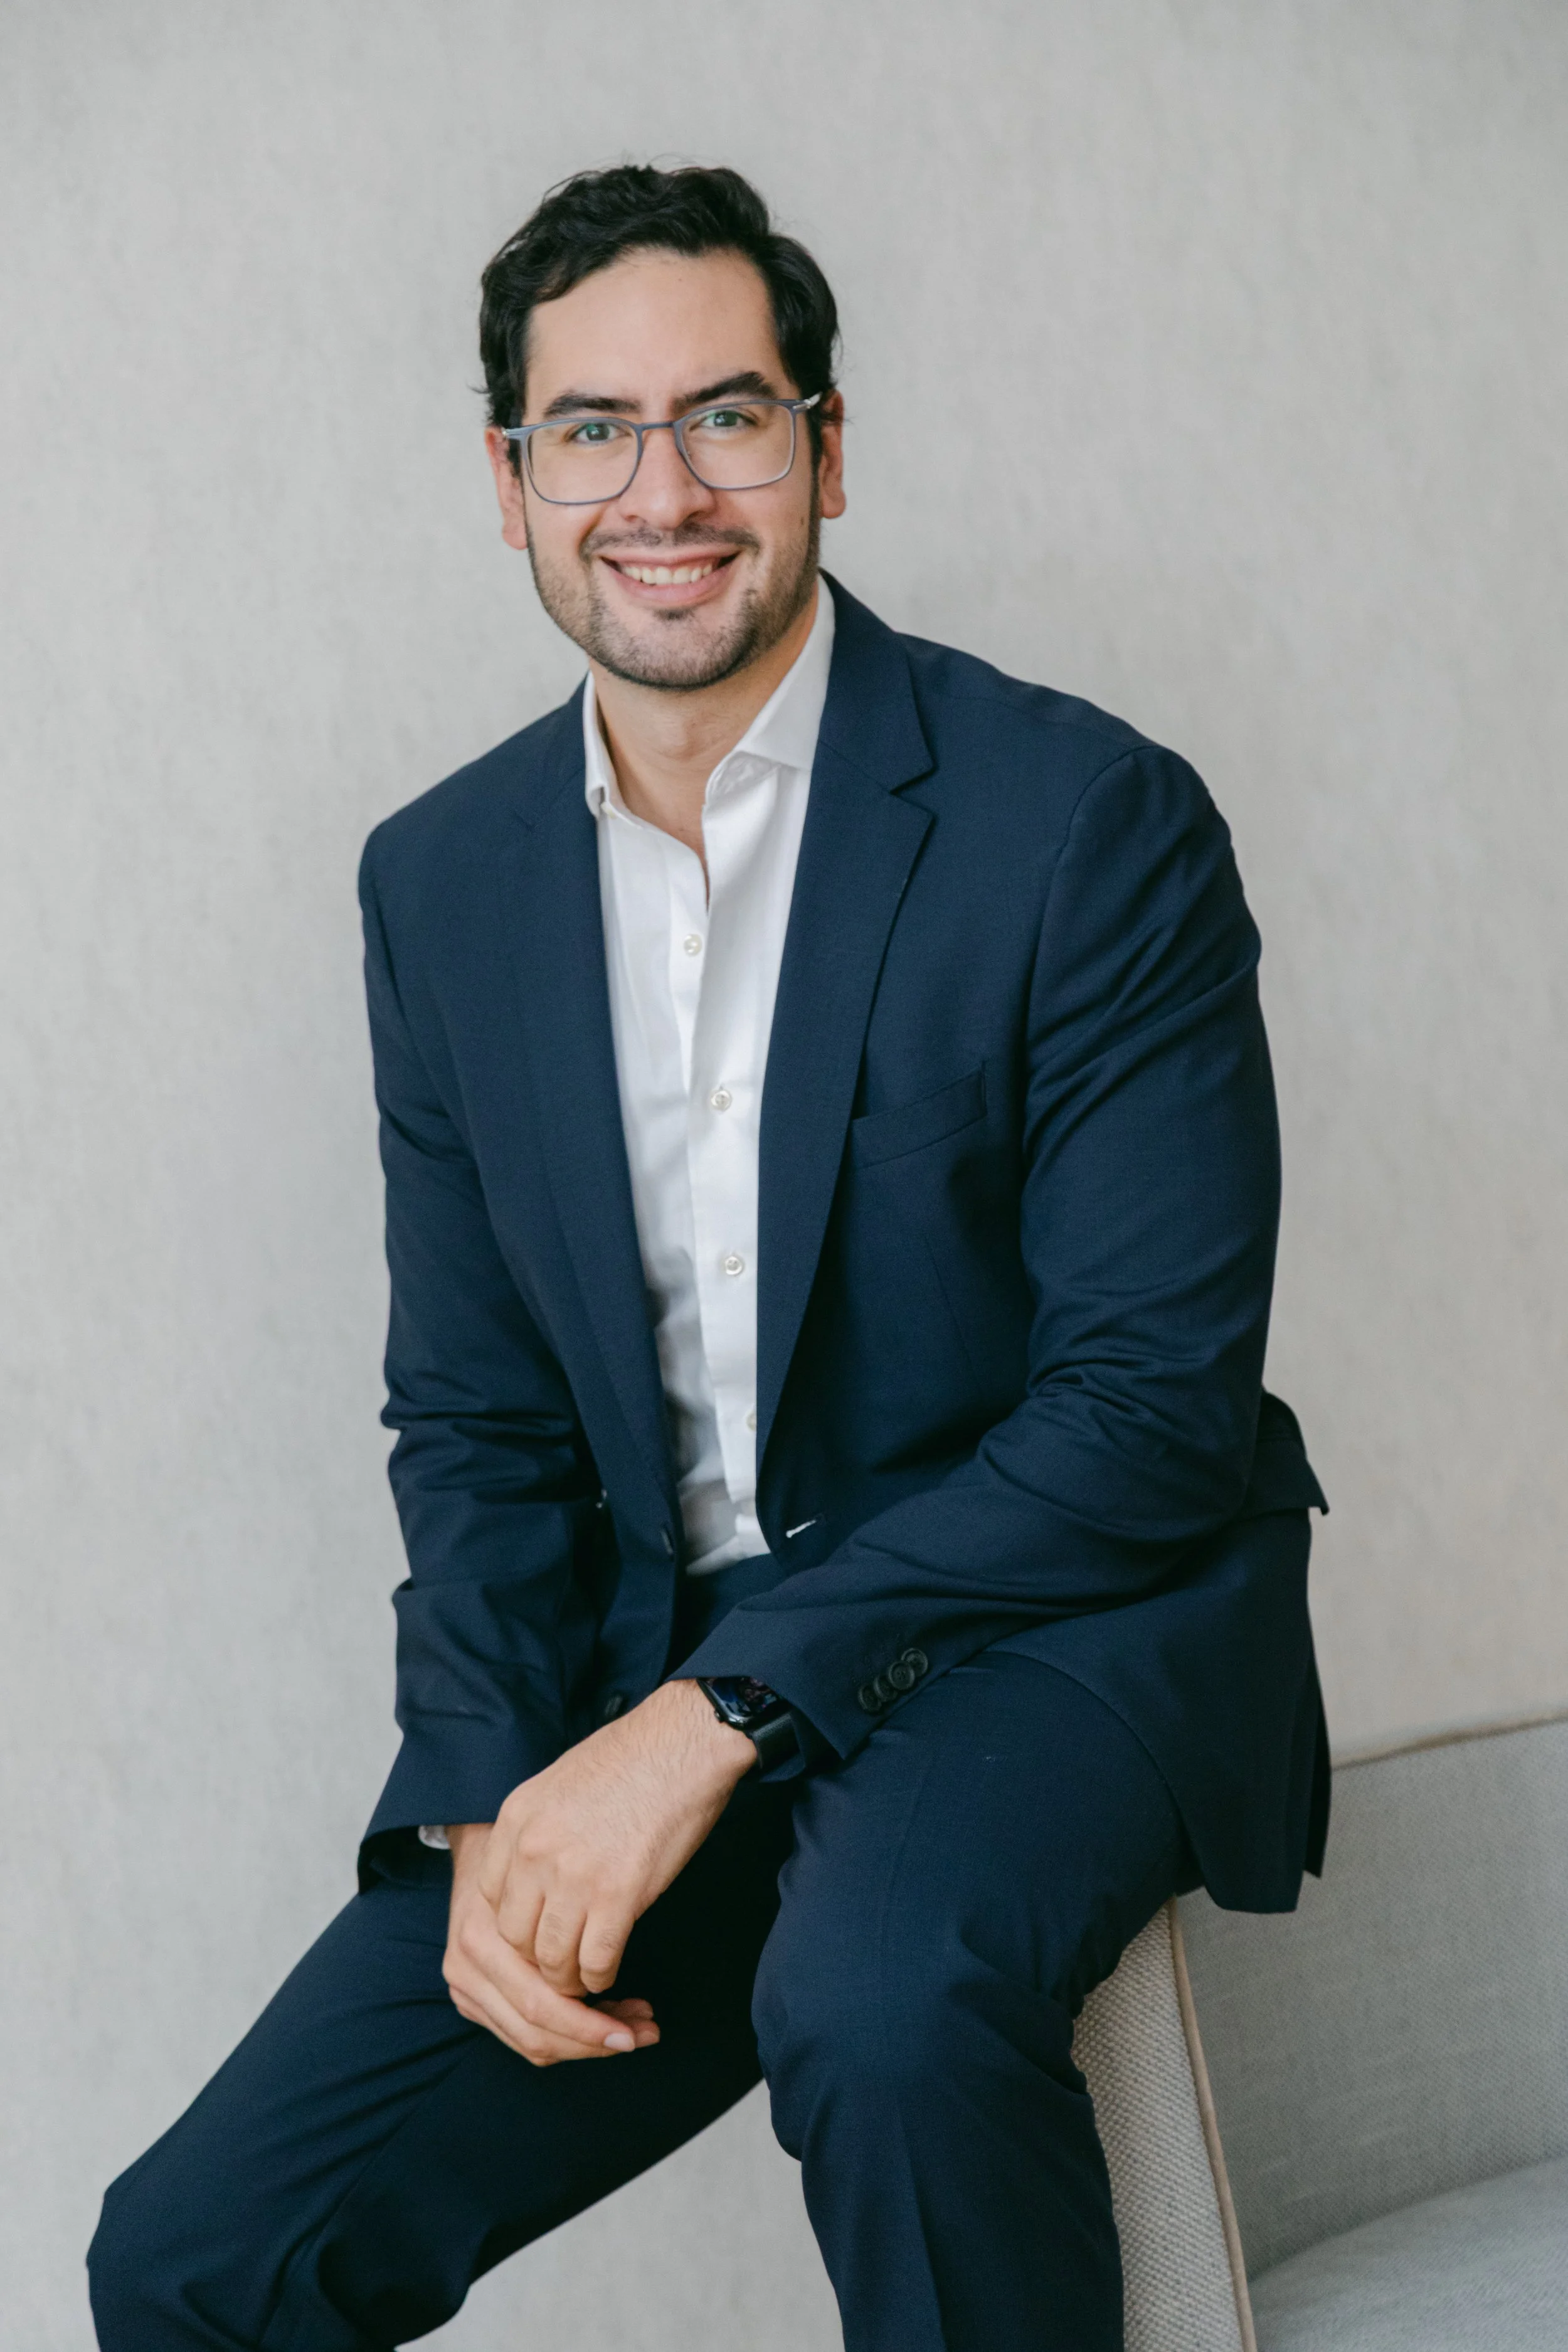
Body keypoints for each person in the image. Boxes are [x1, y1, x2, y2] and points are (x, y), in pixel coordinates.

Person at [88, 162, 1328, 2352]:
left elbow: (1146, 1411)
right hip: (654, 1670)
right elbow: (471, 1416)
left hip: (1044, 1627)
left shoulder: (1082, 822)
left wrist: (704, 1720)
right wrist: (484, 1793)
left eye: (727, 417)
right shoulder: (440, 881)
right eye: (591, 429)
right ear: (510, 481)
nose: (660, 490)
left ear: (826, 449)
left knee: (878, 1997)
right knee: (197, 2260)